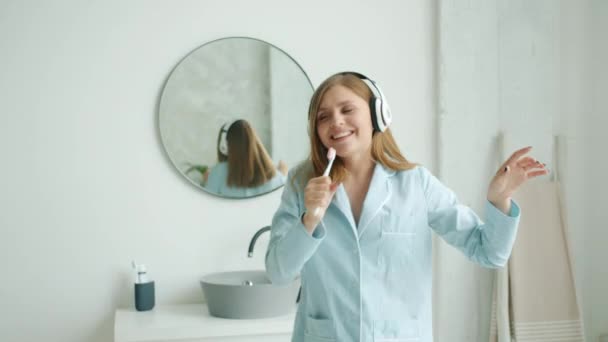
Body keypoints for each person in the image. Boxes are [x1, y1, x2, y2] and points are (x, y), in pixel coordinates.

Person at [265, 72, 548, 342]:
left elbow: (490, 252)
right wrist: (309, 220)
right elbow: (278, 273)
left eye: (347, 109)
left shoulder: (416, 184)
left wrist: (499, 199)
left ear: (378, 115)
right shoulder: (301, 184)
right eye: (323, 116)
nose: (335, 121)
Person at [205, 119, 287, 198]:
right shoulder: (277, 177)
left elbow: (208, 206)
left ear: (224, 147)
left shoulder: (218, 172)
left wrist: (208, 180)